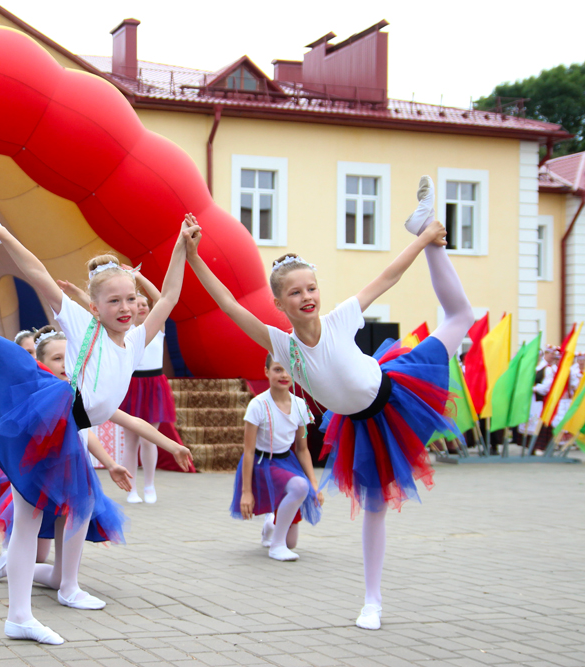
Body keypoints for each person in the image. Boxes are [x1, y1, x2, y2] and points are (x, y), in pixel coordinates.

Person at [185, 176, 473, 630]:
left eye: (311, 288)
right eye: (295, 293)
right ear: (279, 304)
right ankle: (372, 601)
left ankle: (428, 227)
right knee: (375, 507)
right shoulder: (281, 346)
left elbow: (388, 276)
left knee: (462, 317)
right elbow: (226, 304)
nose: (307, 297)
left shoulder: (340, 319)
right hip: (364, 425)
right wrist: (194, 257)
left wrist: (424, 240)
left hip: (398, 390)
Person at [0, 190, 192, 644]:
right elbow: (39, 273)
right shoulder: (83, 326)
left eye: (131, 300)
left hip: (69, 430)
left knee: (30, 519)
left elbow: (172, 295)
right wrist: (0, 233)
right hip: (47, 405)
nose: (126, 308)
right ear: (96, 307)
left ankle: (25, 612)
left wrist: (182, 245)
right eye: (114, 302)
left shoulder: (137, 341)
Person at [0, 326, 191, 584]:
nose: (63, 364)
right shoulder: (33, 398)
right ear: (41, 362)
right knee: (31, 546)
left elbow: (125, 422)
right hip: (33, 480)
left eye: (67, 357)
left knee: (56, 570)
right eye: (56, 358)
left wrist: (169, 447)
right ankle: (11, 562)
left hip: (71, 482)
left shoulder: (83, 397)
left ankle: (46, 577)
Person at [58, 273, 179, 503]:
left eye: (138, 302)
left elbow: (166, 299)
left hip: (153, 384)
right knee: (131, 439)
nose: (137, 307)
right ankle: (133, 489)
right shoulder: (120, 335)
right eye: (119, 301)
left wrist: (140, 277)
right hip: (133, 384)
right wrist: (77, 293)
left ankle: (149, 485)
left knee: (147, 438)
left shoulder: (149, 332)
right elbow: (98, 309)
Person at [230, 354, 322, 561]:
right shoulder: (258, 405)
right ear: (266, 372)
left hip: (286, 463)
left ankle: (272, 524)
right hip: (261, 464)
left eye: (288, 370)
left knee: (293, 542)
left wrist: (314, 482)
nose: (284, 375)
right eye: (277, 369)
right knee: (299, 487)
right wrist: (246, 492)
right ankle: (276, 547)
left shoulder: (300, 405)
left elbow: (302, 449)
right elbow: (249, 450)